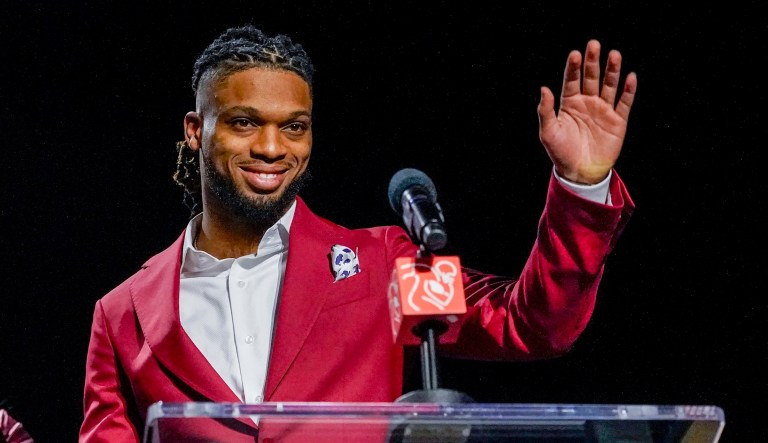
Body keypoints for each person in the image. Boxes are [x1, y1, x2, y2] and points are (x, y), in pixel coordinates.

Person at [80, 24, 637, 442]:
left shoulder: (382, 264)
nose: (272, 148)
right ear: (196, 130)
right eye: (244, 122)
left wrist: (581, 186)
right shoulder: (123, 313)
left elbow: (528, 325)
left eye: (294, 127)